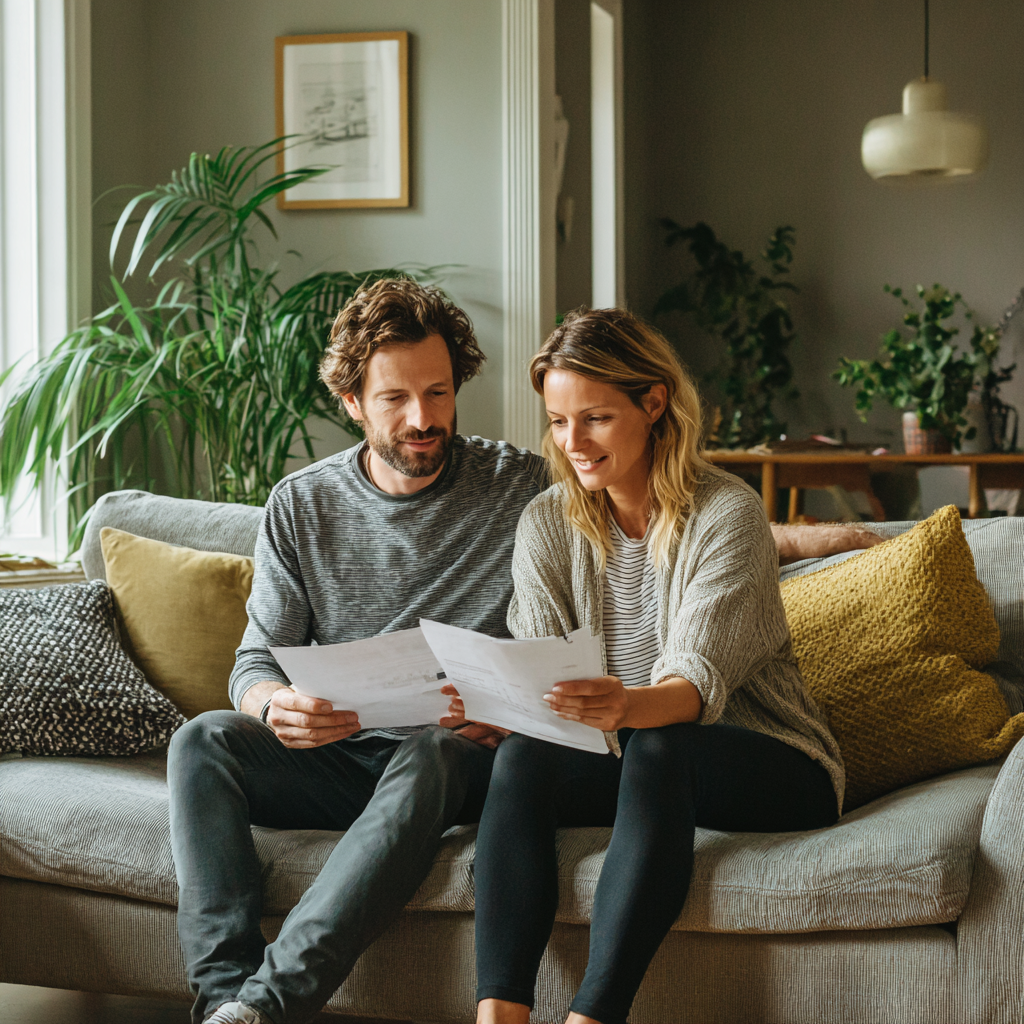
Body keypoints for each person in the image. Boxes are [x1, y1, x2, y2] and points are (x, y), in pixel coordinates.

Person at [167, 278, 545, 1024]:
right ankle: (222, 1002)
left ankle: (270, 1007)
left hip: (454, 756)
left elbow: (647, 520)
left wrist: (826, 537)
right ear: (350, 401)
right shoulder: (301, 504)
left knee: (432, 751)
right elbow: (254, 663)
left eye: (439, 393)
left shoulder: (520, 483)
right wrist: (277, 706)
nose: (423, 419)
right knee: (201, 741)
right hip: (342, 756)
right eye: (396, 400)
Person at [461, 308, 847, 1024]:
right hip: (626, 753)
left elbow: (692, 684)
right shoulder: (545, 521)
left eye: (596, 418)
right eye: (557, 421)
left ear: (654, 403)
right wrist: (502, 705)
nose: (572, 442)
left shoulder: (726, 513)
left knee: (661, 744)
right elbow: (542, 671)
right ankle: (499, 1016)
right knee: (522, 763)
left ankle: (593, 1017)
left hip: (775, 762)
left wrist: (620, 707)